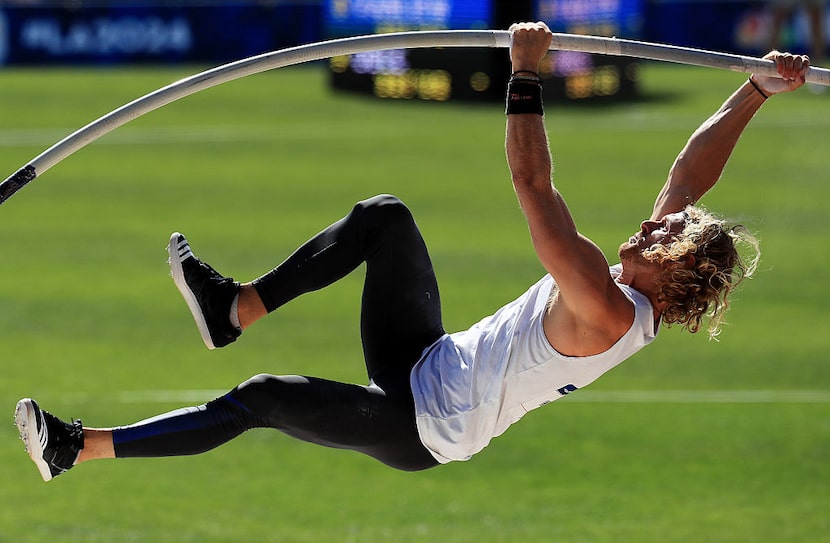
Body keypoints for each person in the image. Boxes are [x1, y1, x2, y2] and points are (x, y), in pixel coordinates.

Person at [15, 23, 810, 482]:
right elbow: (688, 173)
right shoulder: (641, 275)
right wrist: (752, 93)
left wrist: (524, 76)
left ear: (673, 278)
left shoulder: (605, 305)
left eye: (669, 235)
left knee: (263, 397)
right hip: (429, 360)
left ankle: (75, 446)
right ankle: (236, 306)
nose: (657, 225)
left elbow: (533, 188)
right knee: (385, 218)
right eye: (668, 224)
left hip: (424, 424)